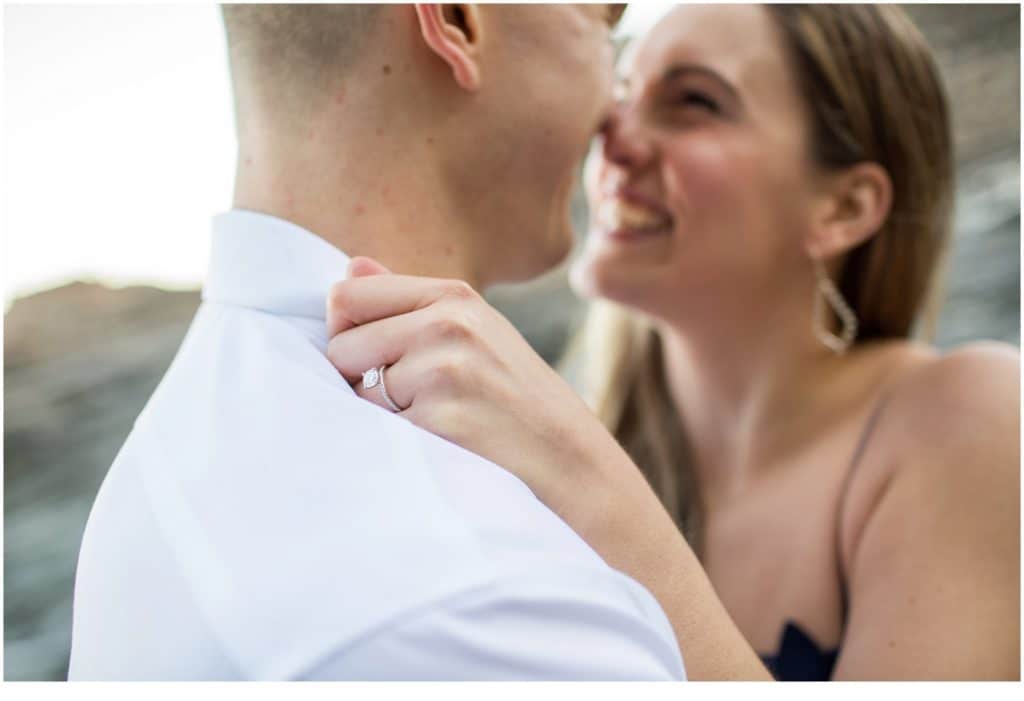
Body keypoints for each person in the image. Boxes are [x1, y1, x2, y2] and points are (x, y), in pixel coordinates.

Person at [325, 4, 1021, 680]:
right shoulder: (594, 435)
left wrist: (585, 477)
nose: (611, 131)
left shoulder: (971, 414)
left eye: (694, 101)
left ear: (843, 208)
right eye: (623, 90)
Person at [68, 4, 687, 680]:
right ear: (456, 19)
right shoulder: (482, 599)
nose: (616, 109)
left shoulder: (159, 456)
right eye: (603, 18)